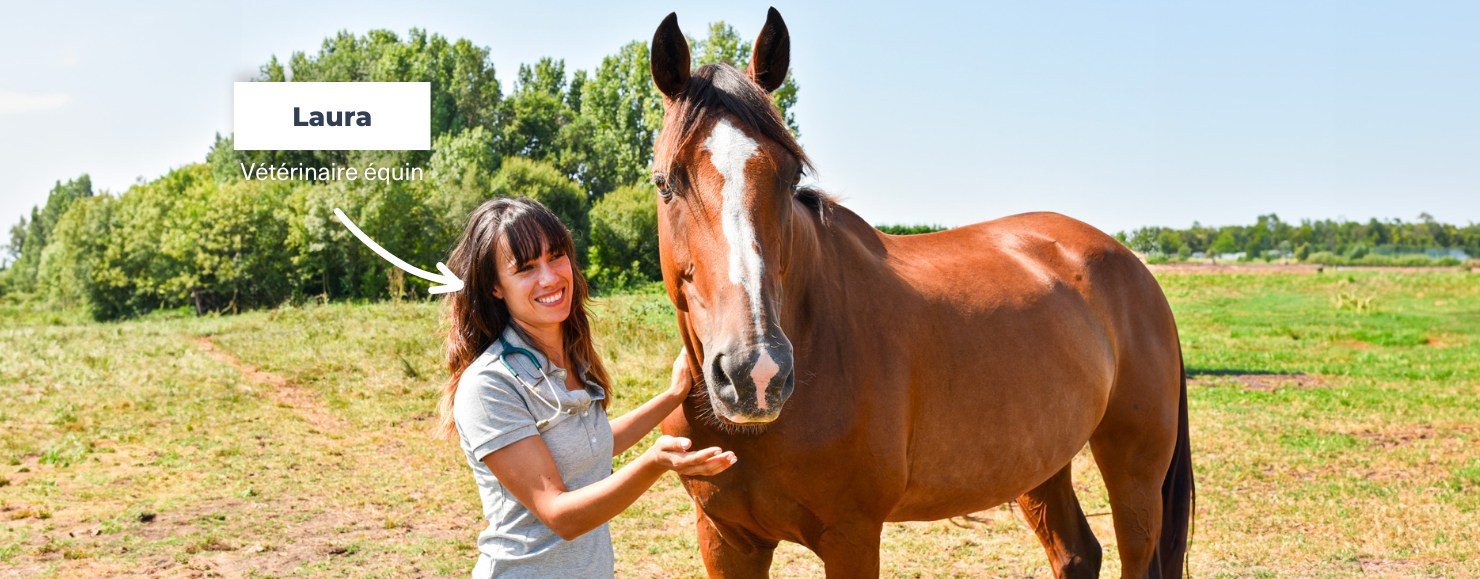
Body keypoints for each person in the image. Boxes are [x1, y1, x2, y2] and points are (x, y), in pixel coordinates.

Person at [438, 197, 736, 578]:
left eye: (556, 256)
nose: (549, 277)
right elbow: (560, 515)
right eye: (526, 268)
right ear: (496, 286)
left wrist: (673, 396)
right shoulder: (490, 385)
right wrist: (654, 462)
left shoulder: (570, 358)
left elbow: (589, 445)